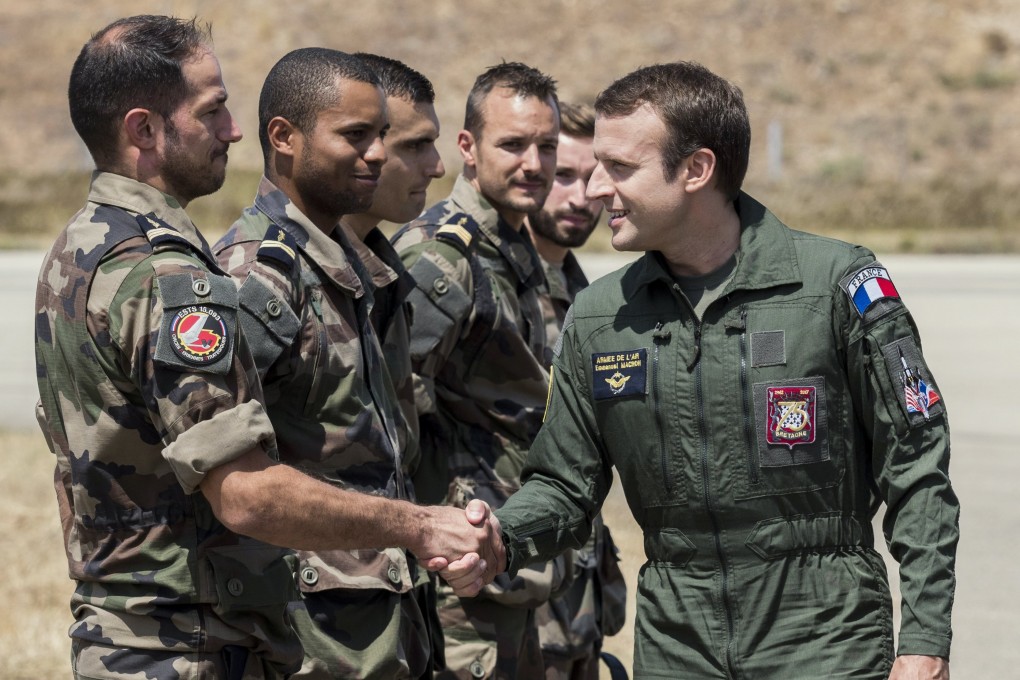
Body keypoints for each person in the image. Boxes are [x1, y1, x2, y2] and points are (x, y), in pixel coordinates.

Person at [35, 18, 497, 679]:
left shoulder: (85, 244)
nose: (231, 131)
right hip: (190, 643)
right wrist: (423, 527)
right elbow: (247, 494)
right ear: (144, 129)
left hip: (135, 635)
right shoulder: (169, 276)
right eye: (213, 111)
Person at [490, 61, 959, 680]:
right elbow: (564, 485)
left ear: (696, 170)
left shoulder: (836, 286)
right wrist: (497, 536)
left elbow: (917, 466)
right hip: (677, 645)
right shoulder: (600, 317)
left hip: (824, 641)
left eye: (620, 168)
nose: (594, 189)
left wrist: (924, 641)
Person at [392, 62, 564, 679]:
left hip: (508, 557)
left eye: (547, 145)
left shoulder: (515, 247)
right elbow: (395, 414)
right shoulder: (444, 255)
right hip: (459, 571)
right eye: (513, 145)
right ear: (467, 147)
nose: (535, 163)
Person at [522, 101, 628, 680]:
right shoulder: (482, 283)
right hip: (504, 604)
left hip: (574, 599)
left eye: (592, 178)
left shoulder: (580, 292)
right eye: (563, 176)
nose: (582, 196)